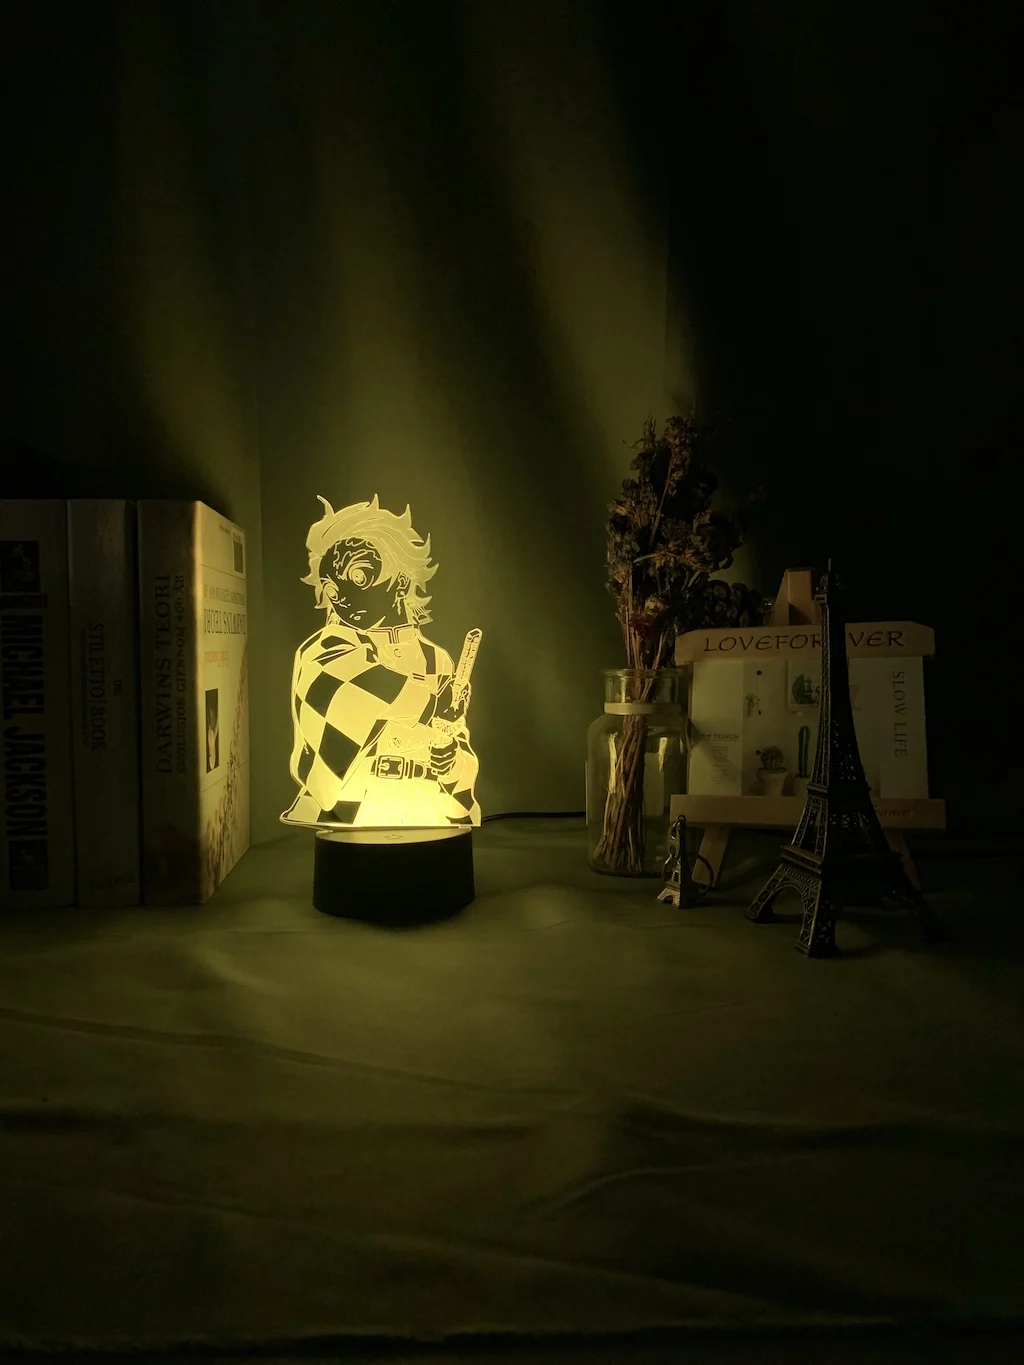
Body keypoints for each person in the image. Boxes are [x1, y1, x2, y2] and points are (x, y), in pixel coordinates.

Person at [280, 495, 481, 828]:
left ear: (400, 581)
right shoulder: (326, 647)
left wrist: (451, 762)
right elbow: (358, 683)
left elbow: (458, 744)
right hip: (351, 809)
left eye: (359, 577)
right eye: (332, 589)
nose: (343, 597)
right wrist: (433, 704)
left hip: (424, 807)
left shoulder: (436, 659)